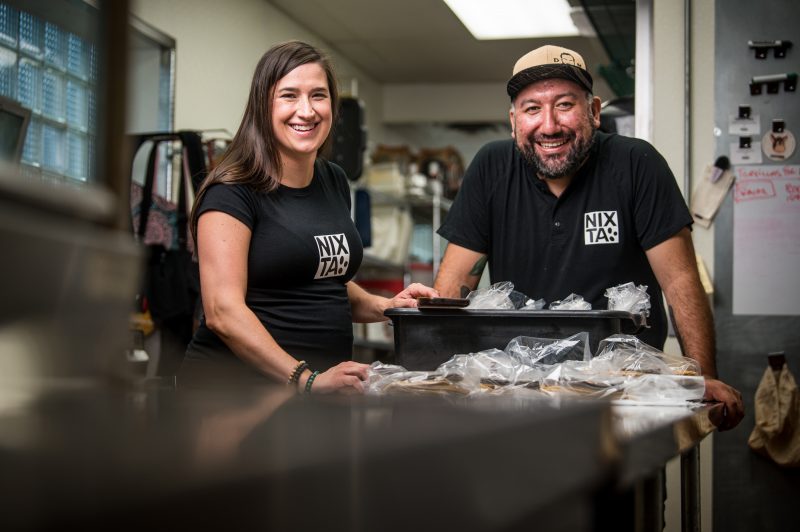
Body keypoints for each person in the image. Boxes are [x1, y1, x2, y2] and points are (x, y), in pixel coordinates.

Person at [435, 45, 743, 429]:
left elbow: (680, 281)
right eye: (532, 109)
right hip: (518, 390)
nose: (549, 125)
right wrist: (438, 377)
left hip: (625, 391)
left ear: (594, 112)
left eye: (565, 105)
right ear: (514, 122)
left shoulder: (636, 164)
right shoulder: (490, 168)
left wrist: (703, 376)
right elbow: (454, 285)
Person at [182, 41, 437, 393]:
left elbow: (324, 280)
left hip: (313, 395)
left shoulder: (332, 180)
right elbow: (222, 311)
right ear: (263, 105)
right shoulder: (232, 191)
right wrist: (306, 379)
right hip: (234, 393)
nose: (306, 111)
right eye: (289, 96)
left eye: (318, 95)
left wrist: (390, 307)